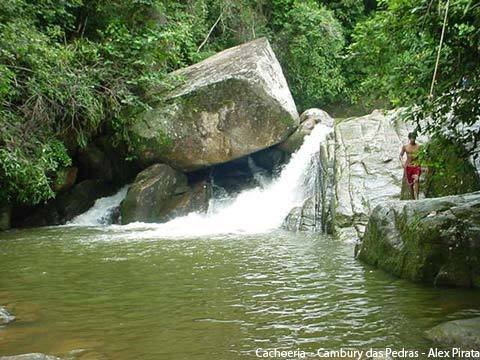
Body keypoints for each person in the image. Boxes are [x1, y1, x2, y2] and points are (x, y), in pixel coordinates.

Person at [400, 132, 422, 200]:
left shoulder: (419, 147)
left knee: (416, 180)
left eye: (414, 138)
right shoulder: (405, 147)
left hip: (416, 165)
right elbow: (401, 155)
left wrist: (423, 165)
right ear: (409, 138)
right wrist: (402, 162)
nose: (413, 139)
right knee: (410, 184)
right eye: (411, 138)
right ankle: (413, 199)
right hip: (408, 166)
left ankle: (417, 197)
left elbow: (423, 156)